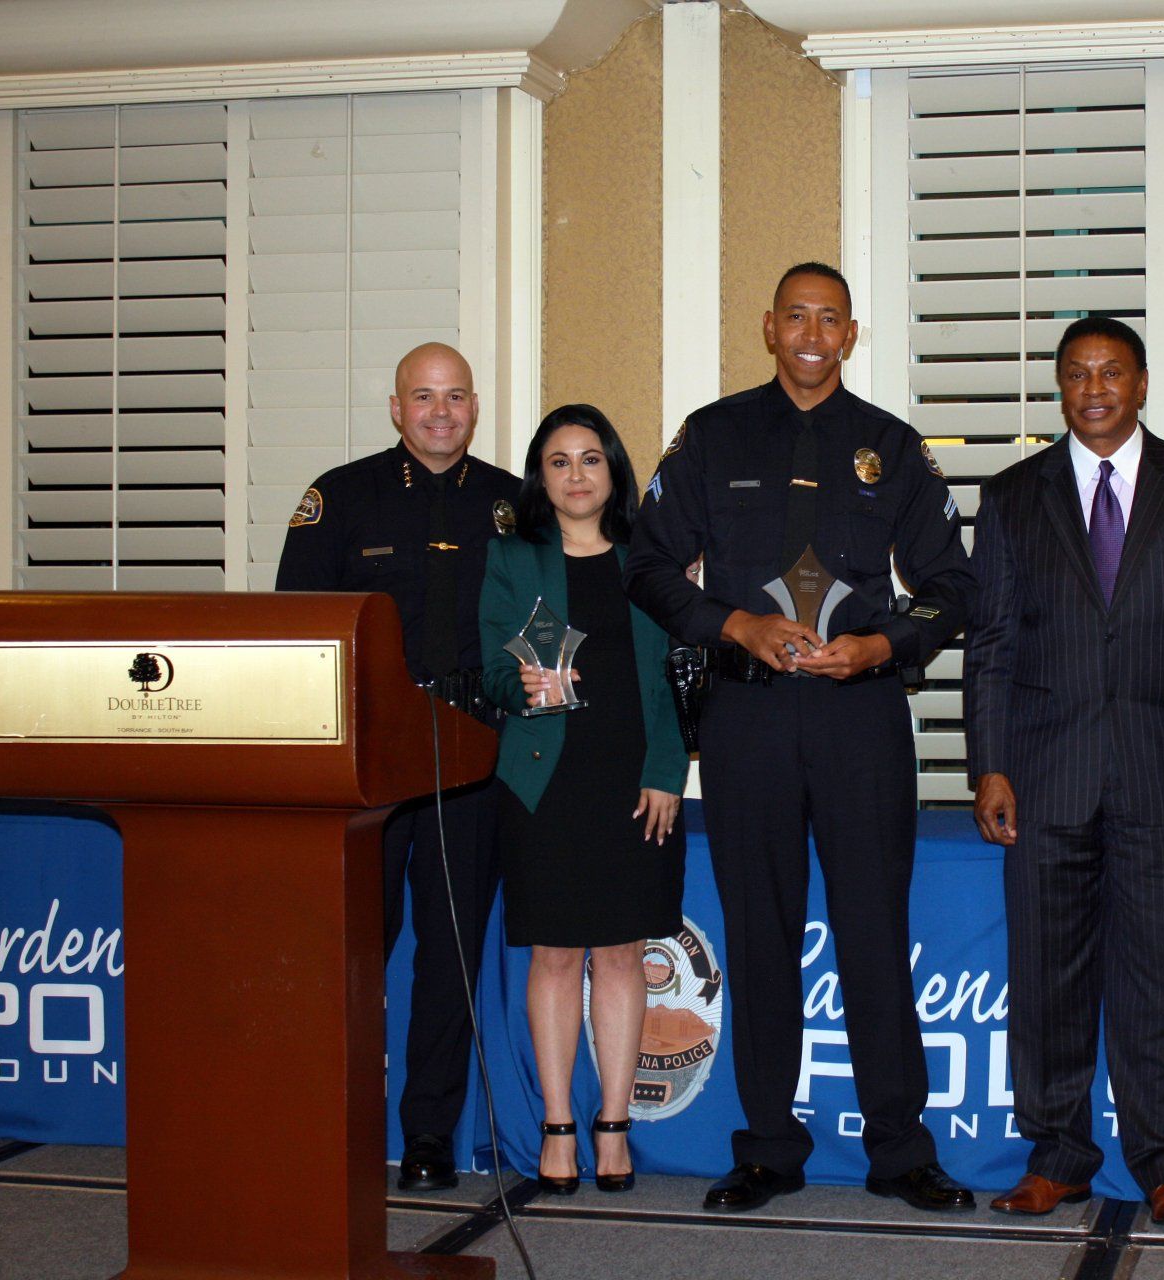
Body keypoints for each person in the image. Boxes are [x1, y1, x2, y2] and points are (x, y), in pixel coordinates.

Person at [624, 262, 977, 1214]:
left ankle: (900, 1150)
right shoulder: (712, 436)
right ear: (768, 327)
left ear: (851, 334)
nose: (813, 333)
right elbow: (647, 565)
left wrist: (879, 646)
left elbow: (955, 591)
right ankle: (769, 1148)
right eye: (796, 317)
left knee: (873, 934)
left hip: (859, 719)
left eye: (831, 318)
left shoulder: (891, 447)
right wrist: (732, 626)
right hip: (747, 718)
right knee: (761, 932)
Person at [966, 315, 1164, 1224]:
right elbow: (991, 644)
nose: (1094, 389)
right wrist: (989, 767)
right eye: (1076, 374)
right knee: (1047, 975)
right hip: (1044, 773)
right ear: (1059, 387)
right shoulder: (1009, 498)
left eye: (1111, 372)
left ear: (1143, 383)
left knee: (1157, 972)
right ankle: (1060, 1154)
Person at [275, 342, 521, 1190]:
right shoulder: (339, 499)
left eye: (455, 397)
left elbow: (551, 622)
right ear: (395, 407)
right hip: (368, 766)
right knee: (350, 954)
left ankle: (427, 1141)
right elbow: (298, 638)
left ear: (475, 406)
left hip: (469, 758)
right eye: (423, 397)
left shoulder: (510, 504)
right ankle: (322, 1123)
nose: (440, 413)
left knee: (449, 960)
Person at [478, 404, 689, 1195]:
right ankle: (559, 1123)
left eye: (590, 459)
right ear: (542, 475)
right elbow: (492, 668)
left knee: (624, 953)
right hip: (544, 782)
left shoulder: (650, 560)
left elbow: (675, 677)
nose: (575, 474)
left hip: (636, 782)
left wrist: (669, 768)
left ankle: (614, 1124)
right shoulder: (512, 558)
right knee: (557, 954)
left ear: (614, 472)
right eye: (559, 461)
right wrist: (524, 687)